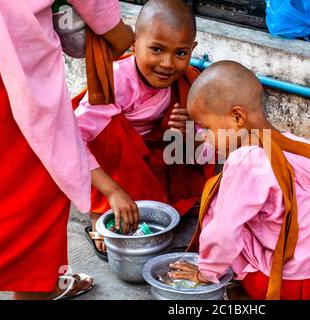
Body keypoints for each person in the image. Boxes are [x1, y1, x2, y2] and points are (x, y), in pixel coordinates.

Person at [169, 61, 310, 300]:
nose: (204, 137)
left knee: (222, 213)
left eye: (207, 128)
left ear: (237, 117)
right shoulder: (300, 145)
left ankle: (242, 290)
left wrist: (206, 273)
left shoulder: (246, 160)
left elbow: (224, 230)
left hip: (282, 284)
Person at [0, 0, 134, 299]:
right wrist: (118, 32)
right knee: (36, 187)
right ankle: (37, 284)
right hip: (5, 57)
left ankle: (47, 280)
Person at [73, 0, 213, 257]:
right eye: (157, 49)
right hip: (114, 160)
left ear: (192, 49)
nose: (168, 63)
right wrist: (112, 191)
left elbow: (209, 148)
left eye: (180, 53)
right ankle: (99, 211)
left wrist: (191, 135)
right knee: (110, 128)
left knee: (189, 138)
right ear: (135, 42)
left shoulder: (189, 82)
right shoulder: (116, 81)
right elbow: (72, 141)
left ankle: (159, 198)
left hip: (152, 156)